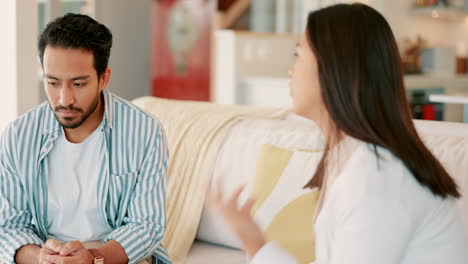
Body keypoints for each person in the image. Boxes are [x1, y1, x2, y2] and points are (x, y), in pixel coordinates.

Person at [207, 3, 467, 264]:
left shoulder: (377, 179)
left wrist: (257, 246)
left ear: (332, 69)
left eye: (299, 55)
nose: (291, 70)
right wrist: (255, 244)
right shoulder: (350, 157)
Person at [0, 13, 171, 264]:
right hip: (46, 254)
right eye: (53, 83)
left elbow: (146, 225)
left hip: (113, 256)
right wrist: (42, 258)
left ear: (104, 78)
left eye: (78, 84)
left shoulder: (144, 132)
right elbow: (8, 228)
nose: (64, 99)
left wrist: (92, 258)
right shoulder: (18, 136)